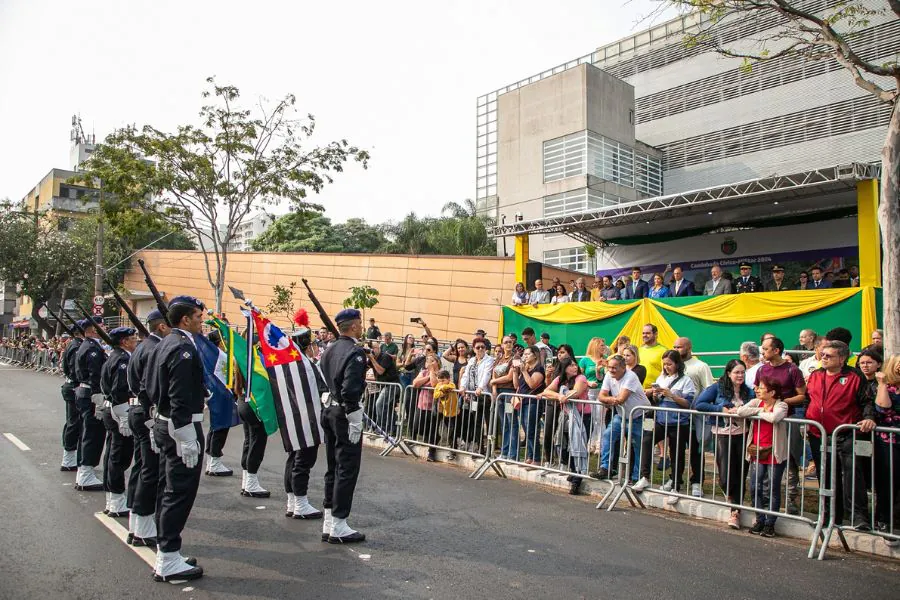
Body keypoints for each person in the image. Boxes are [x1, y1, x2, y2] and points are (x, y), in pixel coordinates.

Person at [145, 296, 208, 582]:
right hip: (179, 425)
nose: (201, 321)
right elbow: (178, 394)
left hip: (165, 421)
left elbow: (155, 384)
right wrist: (185, 435)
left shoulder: (165, 343)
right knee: (178, 492)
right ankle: (168, 558)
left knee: (167, 488)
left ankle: (167, 552)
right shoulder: (182, 346)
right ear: (185, 320)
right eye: (197, 316)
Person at [806, 340, 875, 530]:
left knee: (853, 475)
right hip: (818, 434)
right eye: (823, 354)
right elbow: (808, 399)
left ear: (842, 358)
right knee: (826, 476)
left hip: (847, 434)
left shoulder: (855, 376)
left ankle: (859, 517)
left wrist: (869, 417)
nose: (824, 358)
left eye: (829, 355)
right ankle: (829, 516)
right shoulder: (815, 375)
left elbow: (867, 401)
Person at [318, 309, 369, 544]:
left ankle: (330, 520)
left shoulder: (329, 349)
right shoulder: (355, 352)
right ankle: (339, 523)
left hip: (329, 410)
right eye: (360, 323)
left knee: (332, 465)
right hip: (344, 413)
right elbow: (350, 389)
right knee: (347, 467)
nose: (362, 326)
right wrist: (354, 415)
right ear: (354, 326)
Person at [125, 308, 170, 548]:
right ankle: (142, 528)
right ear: (162, 326)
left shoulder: (143, 346)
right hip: (147, 413)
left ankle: (136, 523)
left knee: (142, 466)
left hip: (137, 411)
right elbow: (150, 388)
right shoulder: (154, 348)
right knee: (150, 472)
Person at [695, 360, 754, 529]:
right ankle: (731, 497)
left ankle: (735, 512)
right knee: (725, 476)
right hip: (722, 434)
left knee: (740, 473)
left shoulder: (748, 391)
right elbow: (700, 404)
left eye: (743, 372)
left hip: (743, 435)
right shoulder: (717, 388)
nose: (740, 376)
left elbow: (757, 404)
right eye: (737, 372)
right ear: (728, 373)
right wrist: (721, 409)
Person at [634, 350, 697, 505]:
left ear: (677, 364)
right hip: (661, 419)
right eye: (665, 364)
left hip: (678, 422)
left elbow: (688, 403)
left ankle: (676, 485)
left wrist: (672, 395)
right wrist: (656, 394)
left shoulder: (686, 380)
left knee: (677, 453)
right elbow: (657, 399)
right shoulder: (661, 377)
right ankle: (645, 477)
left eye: (669, 364)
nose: (666, 367)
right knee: (647, 440)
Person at [755, 336, 807, 514]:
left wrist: (780, 402)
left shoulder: (792, 369)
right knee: (764, 457)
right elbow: (757, 394)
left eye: (766, 349)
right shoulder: (761, 370)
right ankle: (766, 502)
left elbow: (802, 395)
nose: (762, 352)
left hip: (786, 420)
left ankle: (790, 498)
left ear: (776, 350)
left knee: (790, 459)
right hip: (765, 421)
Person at [738, 376, 790, 538]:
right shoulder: (756, 402)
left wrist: (763, 413)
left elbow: (775, 417)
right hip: (756, 452)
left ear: (772, 392)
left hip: (774, 452)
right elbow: (741, 411)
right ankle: (759, 518)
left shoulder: (781, 404)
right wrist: (761, 411)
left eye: (761, 387)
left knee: (773, 489)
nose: (757, 390)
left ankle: (770, 523)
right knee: (755, 487)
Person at [99, 326, 138, 518]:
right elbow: (119, 390)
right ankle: (116, 499)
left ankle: (112, 496)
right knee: (119, 456)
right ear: (124, 342)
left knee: (112, 454)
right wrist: (123, 415)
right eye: (133, 339)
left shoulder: (113, 356)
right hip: (118, 410)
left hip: (111, 408)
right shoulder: (122, 360)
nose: (136, 341)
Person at [596, 354, 651, 481]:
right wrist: (612, 399)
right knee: (608, 435)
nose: (611, 370)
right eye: (609, 367)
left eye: (614, 368)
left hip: (642, 415)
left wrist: (610, 400)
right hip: (622, 415)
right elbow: (601, 396)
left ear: (623, 367)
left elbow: (621, 399)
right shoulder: (609, 376)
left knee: (639, 445)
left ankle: (638, 476)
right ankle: (606, 467)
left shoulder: (631, 376)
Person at [541, 359, 592, 494]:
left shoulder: (581, 378)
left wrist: (564, 396)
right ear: (564, 368)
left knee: (578, 446)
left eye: (575, 364)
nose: (574, 367)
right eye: (571, 365)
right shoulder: (560, 379)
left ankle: (577, 480)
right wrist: (559, 395)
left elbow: (576, 392)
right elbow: (546, 391)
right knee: (565, 446)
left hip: (582, 416)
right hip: (566, 417)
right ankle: (574, 471)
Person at [674, 337, 715, 498]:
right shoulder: (675, 366)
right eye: (674, 347)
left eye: (679, 347)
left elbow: (709, 388)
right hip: (678, 416)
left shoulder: (700, 366)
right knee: (676, 449)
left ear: (689, 348)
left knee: (697, 451)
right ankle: (675, 480)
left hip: (695, 417)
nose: (676, 349)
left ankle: (697, 482)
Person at [73, 317, 108, 491]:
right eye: (101, 326)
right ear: (93, 329)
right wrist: (98, 397)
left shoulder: (86, 345)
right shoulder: (92, 348)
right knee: (93, 433)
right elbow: (95, 375)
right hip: (91, 393)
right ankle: (86, 472)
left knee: (87, 431)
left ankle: (83, 471)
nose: (105, 327)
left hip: (84, 392)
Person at [874, 354, 900, 539]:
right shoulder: (887, 387)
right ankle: (883, 520)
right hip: (889, 441)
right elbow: (882, 407)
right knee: (889, 482)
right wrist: (882, 383)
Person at [458, 337, 495, 455]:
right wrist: (463, 387)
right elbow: (466, 375)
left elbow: (487, 374)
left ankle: (490, 449)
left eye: (482, 347)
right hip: (474, 396)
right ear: (473, 349)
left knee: (489, 423)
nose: (480, 349)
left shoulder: (489, 360)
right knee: (477, 423)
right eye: (477, 347)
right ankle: (480, 448)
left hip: (484, 395)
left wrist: (480, 387)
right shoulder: (472, 361)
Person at [511, 345, 546, 464]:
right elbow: (516, 386)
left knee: (531, 430)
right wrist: (516, 372)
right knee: (526, 430)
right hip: (523, 402)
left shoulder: (539, 369)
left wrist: (524, 371)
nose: (524, 357)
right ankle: (530, 456)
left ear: (535, 355)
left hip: (533, 403)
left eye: (527, 354)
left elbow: (532, 384)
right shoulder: (525, 368)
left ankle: (536, 458)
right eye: (524, 354)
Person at [59, 322, 84, 472]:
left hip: (72, 386)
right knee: (74, 423)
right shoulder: (76, 346)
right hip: (74, 386)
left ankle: (72, 457)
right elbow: (76, 370)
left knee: (74, 422)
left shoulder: (74, 344)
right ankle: (69, 458)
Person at [490, 336, 517, 460]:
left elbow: (509, 377)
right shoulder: (499, 359)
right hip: (499, 394)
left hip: (509, 392)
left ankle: (512, 454)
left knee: (512, 423)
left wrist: (494, 381)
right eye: (506, 342)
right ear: (501, 345)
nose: (508, 344)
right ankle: (504, 452)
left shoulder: (515, 358)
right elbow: (493, 375)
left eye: (510, 342)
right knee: (504, 423)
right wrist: (494, 390)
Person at [412, 353, 441, 462]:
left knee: (432, 430)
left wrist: (432, 371)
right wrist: (428, 376)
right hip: (422, 405)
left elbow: (434, 384)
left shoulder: (441, 374)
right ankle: (434, 439)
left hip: (434, 407)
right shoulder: (423, 372)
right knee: (417, 427)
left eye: (432, 361)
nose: (429, 363)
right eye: (428, 361)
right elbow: (415, 383)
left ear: (437, 362)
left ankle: (431, 452)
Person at [370, 342, 400, 435]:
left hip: (392, 385)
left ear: (378, 348)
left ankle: (382, 428)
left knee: (379, 404)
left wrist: (371, 358)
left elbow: (380, 371)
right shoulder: (373, 358)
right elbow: (365, 367)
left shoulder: (385, 357)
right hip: (386, 386)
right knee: (389, 408)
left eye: (373, 348)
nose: (372, 350)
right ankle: (393, 430)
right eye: (370, 348)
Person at [433, 370, 460, 460]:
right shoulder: (438, 385)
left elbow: (450, 387)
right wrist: (443, 391)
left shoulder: (452, 384)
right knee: (448, 431)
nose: (440, 383)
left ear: (448, 379)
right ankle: (451, 448)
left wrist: (442, 387)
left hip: (453, 412)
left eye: (443, 380)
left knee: (452, 432)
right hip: (444, 412)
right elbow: (436, 395)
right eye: (439, 381)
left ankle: (453, 451)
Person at [640, 324, 667, 388]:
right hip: (639, 391)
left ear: (656, 334)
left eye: (648, 333)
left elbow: (667, 373)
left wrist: (653, 390)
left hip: (655, 392)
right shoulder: (639, 350)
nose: (644, 335)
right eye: (643, 333)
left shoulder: (664, 351)